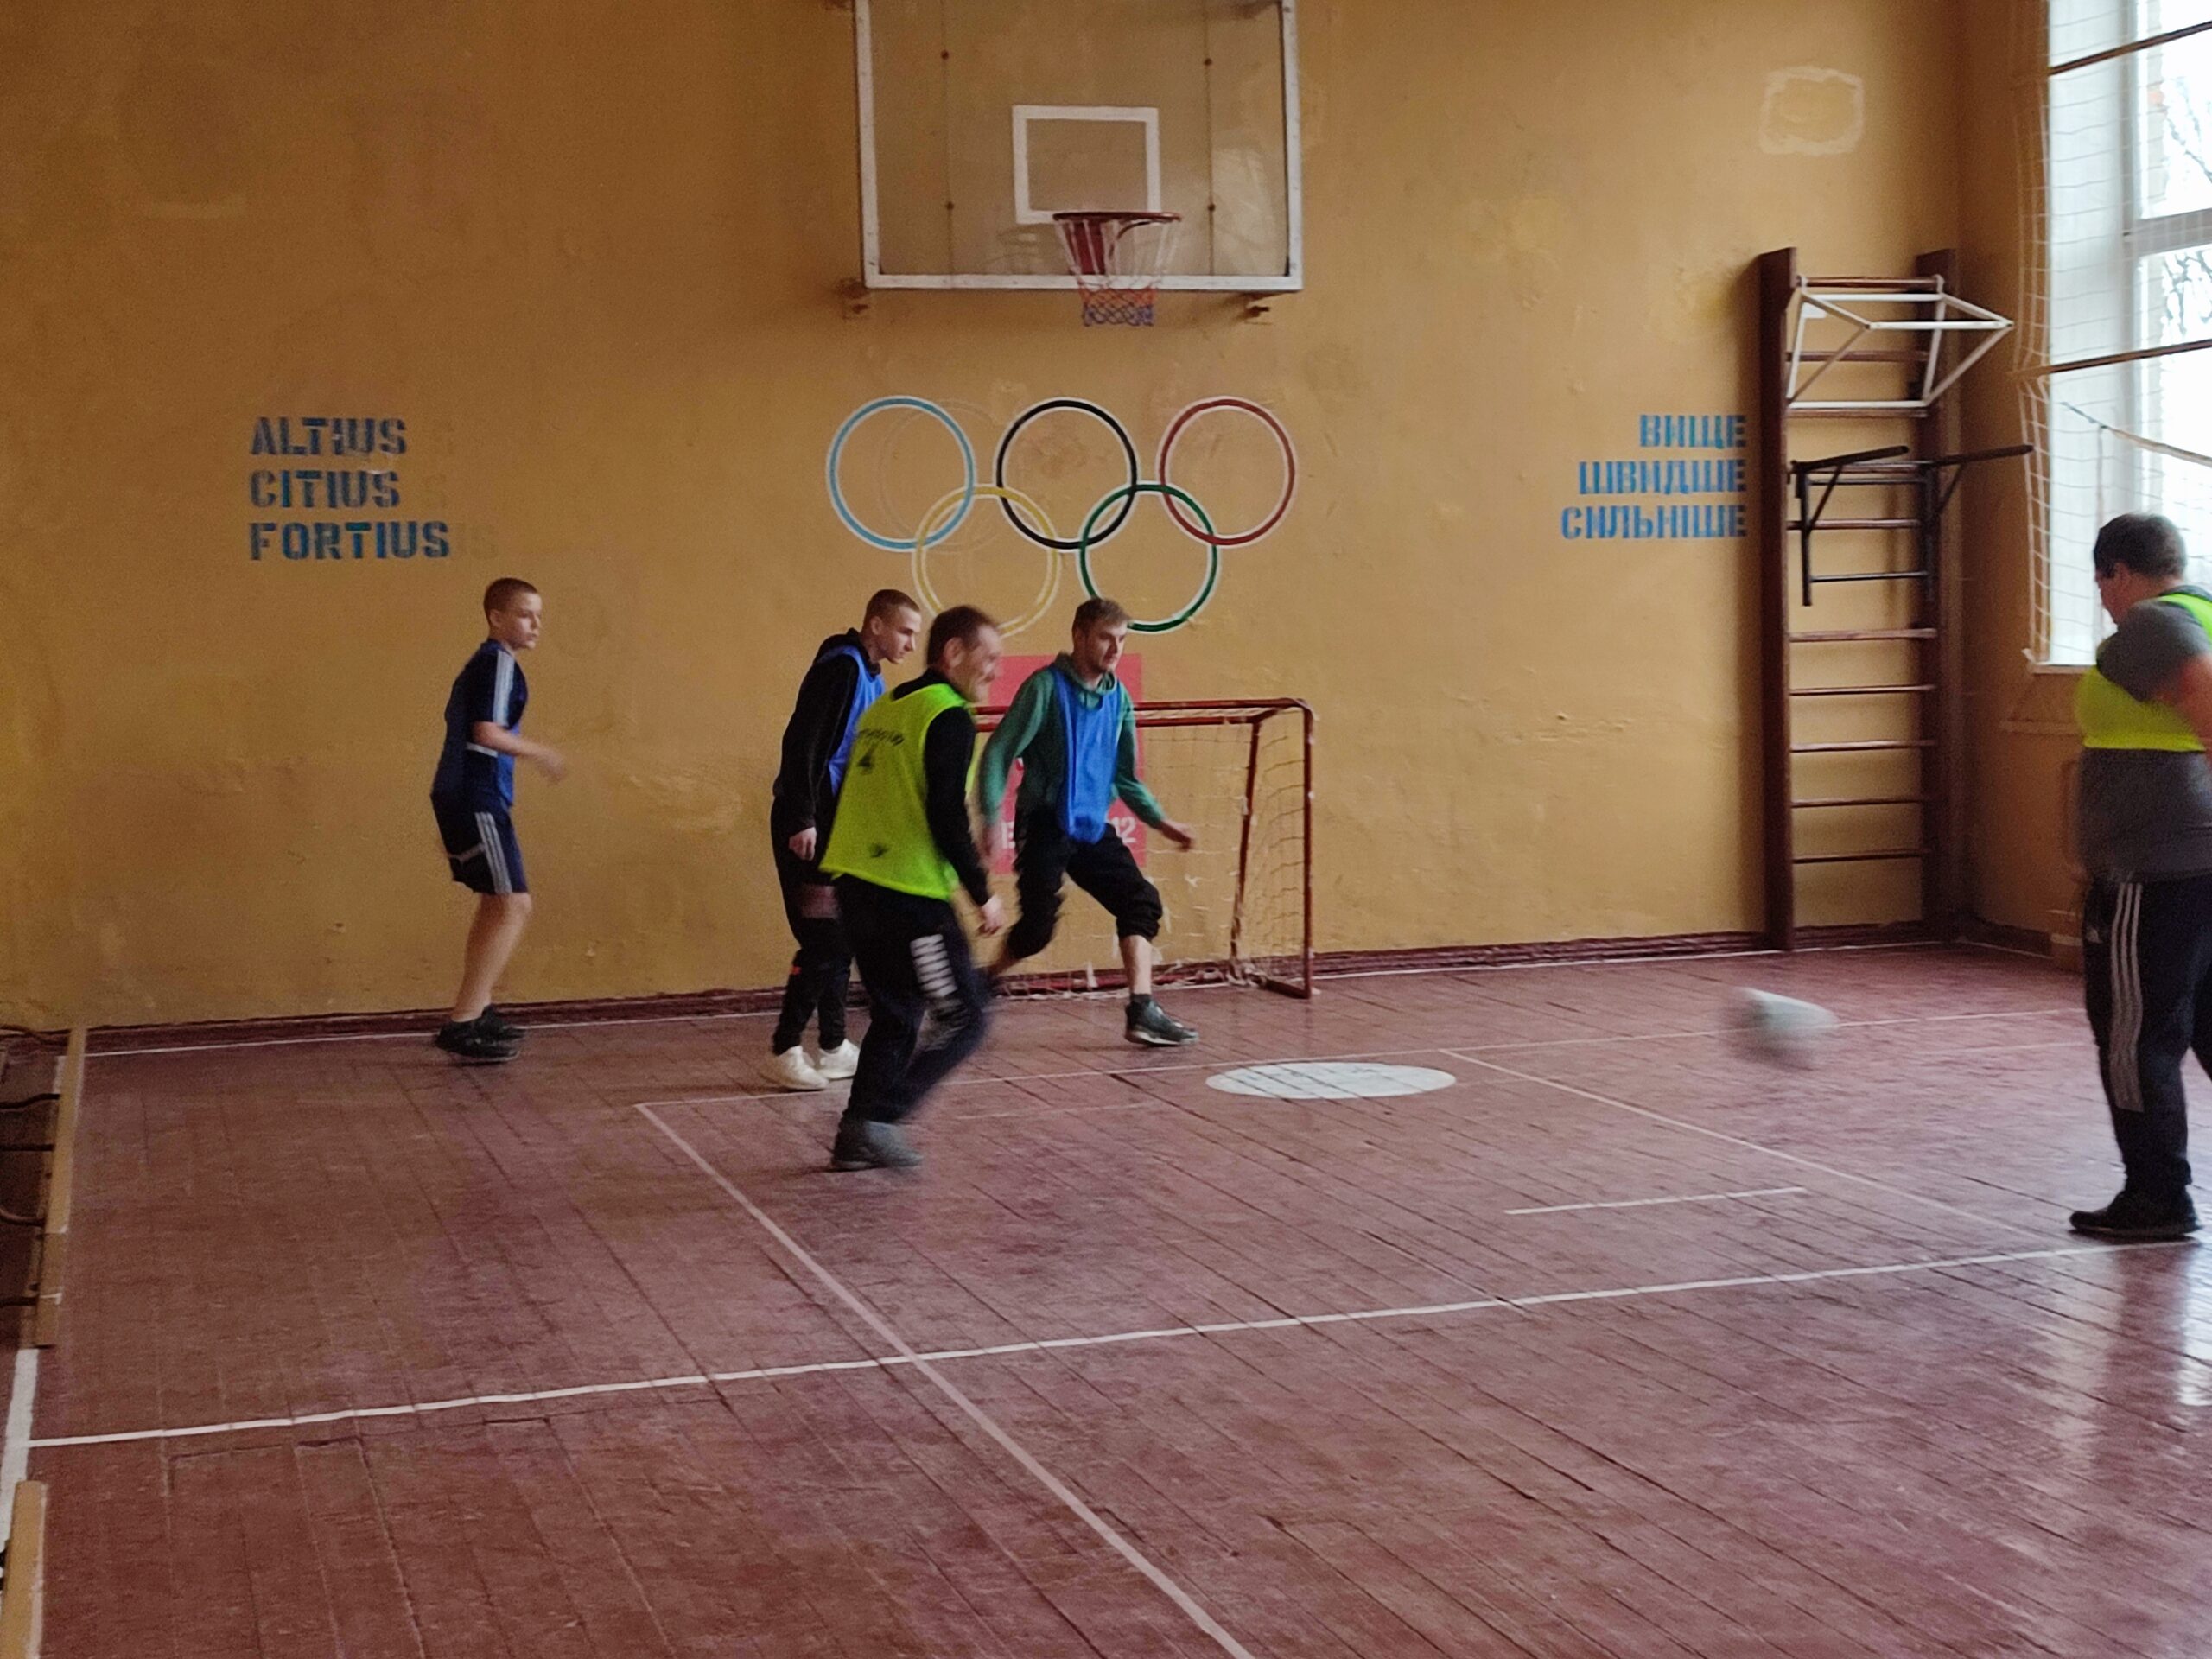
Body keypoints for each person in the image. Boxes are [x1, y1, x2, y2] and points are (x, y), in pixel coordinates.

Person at [817, 605, 1007, 1171]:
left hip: (857, 886)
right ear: (953, 652)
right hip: (907, 898)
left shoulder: (888, 706)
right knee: (965, 1017)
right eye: (989, 658)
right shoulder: (946, 714)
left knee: (898, 1013)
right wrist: (981, 892)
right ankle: (881, 1118)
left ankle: (856, 1134)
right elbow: (946, 813)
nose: (996, 671)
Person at [2070, 512, 2212, 1240]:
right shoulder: (2204, 610)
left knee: (2133, 1034)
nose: (2104, 600)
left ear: (2118, 572)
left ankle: (2156, 1195)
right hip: (2194, 867)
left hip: (2154, 872)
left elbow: (2204, 694)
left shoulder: (2154, 622)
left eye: (2102, 584)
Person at [976, 597, 1198, 1046]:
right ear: (1079, 636)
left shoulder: (1118, 699)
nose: (1115, 649)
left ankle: (1142, 1009)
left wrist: (1161, 822)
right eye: (1105, 638)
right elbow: (999, 751)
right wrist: (989, 815)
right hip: (1044, 823)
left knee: (1141, 902)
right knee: (1037, 929)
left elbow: (1125, 777)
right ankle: (981, 984)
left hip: (1091, 827)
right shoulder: (1044, 688)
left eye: (1122, 640)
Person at [765, 589, 923, 1090]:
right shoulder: (842, 670)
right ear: (876, 625)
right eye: (905, 631)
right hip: (808, 825)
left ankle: (833, 1046)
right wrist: (802, 818)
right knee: (823, 939)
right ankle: (785, 1046)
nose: (911, 643)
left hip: (837, 828)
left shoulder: (873, 679)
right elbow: (803, 744)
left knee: (841, 935)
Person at [429, 577, 566, 1063]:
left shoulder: (489, 664)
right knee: (514, 904)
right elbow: (486, 732)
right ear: (496, 617)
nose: (535, 625)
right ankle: (463, 1022)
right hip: (477, 795)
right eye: (526, 615)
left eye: (539, 616)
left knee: (496, 902)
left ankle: (478, 1006)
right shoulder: (497, 662)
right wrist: (541, 753)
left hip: (468, 795)